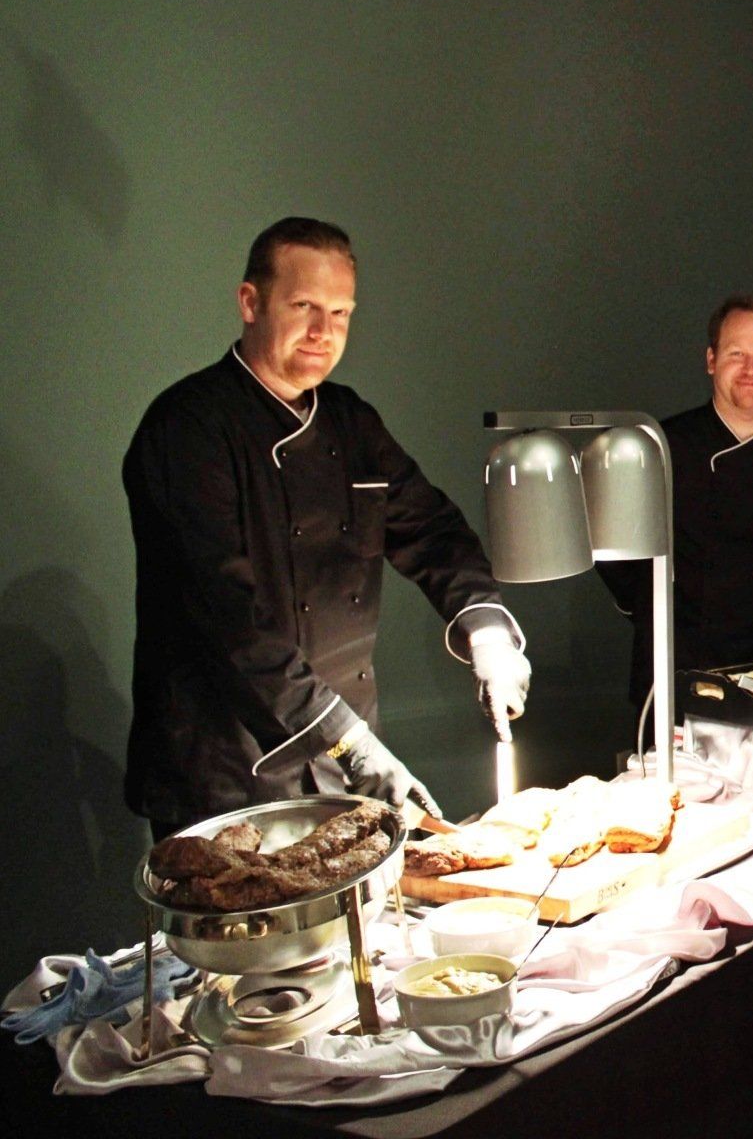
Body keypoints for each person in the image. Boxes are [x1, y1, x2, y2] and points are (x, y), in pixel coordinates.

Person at [124, 217, 532, 838]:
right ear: (250, 303)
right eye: (305, 306)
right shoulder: (187, 430)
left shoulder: (350, 421)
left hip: (342, 760)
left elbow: (433, 531)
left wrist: (486, 631)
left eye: (340, 313)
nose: (323, 332)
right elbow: (231, 623)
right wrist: (352, 747)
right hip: (226, 779)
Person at [599, 295, 753, 708]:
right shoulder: (657, 450)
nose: (752, 369)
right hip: (675, 673)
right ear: (711, 360)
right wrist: (656, 613)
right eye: (737, 354)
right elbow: (613, 552)